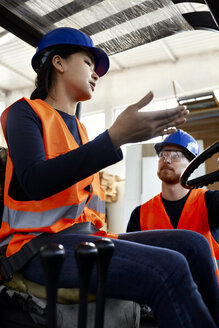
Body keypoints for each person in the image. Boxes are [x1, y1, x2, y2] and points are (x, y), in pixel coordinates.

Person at [0, 27, 218, 328]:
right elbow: (34, 180)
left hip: (85, 237)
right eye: (89, 63)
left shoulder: (82, 131)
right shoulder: (23, 113)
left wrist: (112, 139)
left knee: (195, 245)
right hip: (36, 247)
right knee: (169, 268)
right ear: (58, 63)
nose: (96, 74)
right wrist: (114, 138)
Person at [127, 129, 219, 282]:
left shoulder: (210, 202)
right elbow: (131, 263)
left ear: (191, 164)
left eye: (175, 156)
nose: (167, 160)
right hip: (161, 301)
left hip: (208, 300)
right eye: (163, 154)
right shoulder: (140, 214)